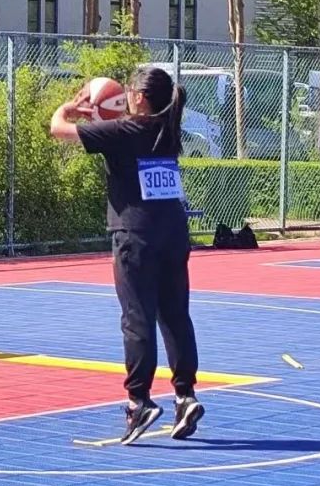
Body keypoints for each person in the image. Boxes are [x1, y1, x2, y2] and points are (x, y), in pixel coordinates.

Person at [49, 67, 204, 445]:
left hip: (136, 235)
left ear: (139, 97)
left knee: (137, 319)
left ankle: (139, 401)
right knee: (175, 316)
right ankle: (185, 395)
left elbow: (58, 130)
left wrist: (67, 109)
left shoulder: (125, 131)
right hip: (173, 232)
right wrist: (102, 116)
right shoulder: (168, 129)